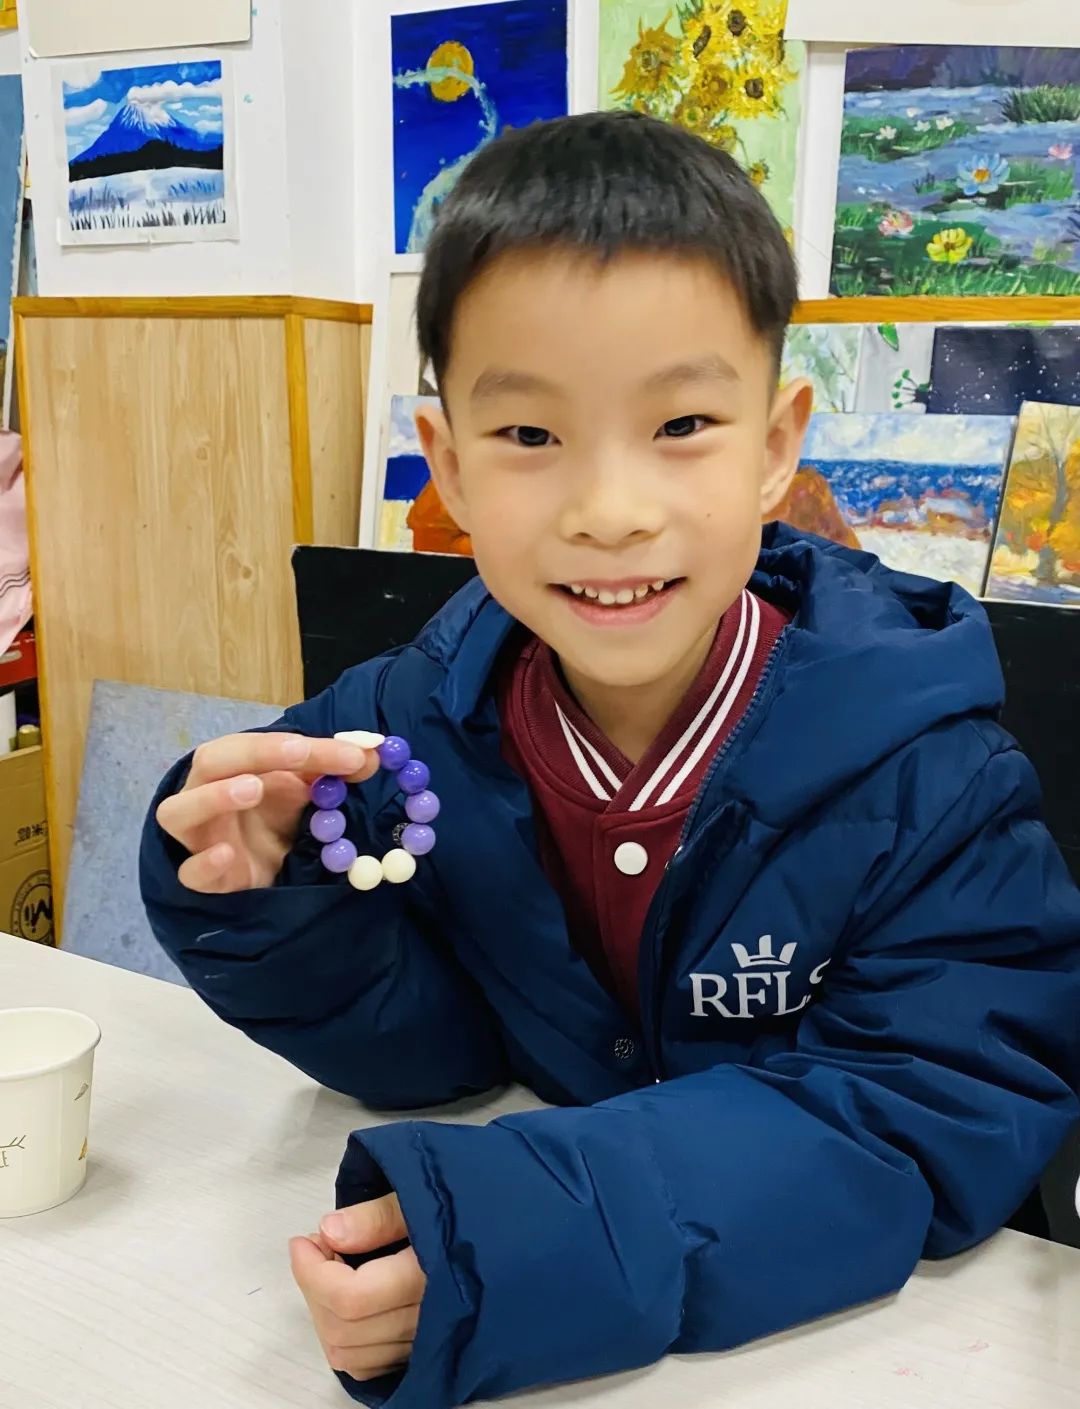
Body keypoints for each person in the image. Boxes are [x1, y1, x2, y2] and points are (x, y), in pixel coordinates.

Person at [141, 112, 1080, 1409]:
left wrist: (521, 1240)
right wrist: (275, 903)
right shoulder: (401, 727)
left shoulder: (930, 780)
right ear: (449, 462)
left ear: (775, 447)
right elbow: (438, 1055)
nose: (609, 509)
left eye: (682, 421)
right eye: (530, 437)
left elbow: (926, 1114)